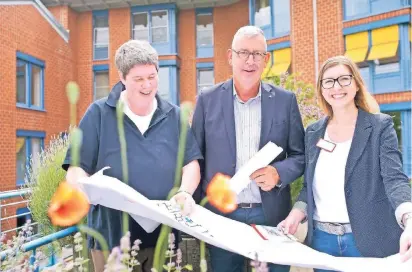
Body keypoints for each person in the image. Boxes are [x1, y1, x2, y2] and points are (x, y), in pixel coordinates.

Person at [62, 40, 203, 272]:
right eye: (139, 79)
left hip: (165, 241)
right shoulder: (97, 114)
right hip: (111, 241)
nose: (147, 85)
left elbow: (191, 164)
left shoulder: (175, 116)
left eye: (152, 76)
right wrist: (79, 189)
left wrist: (185, 192)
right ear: (122, 77)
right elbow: (76, 168)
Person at [278, 55, 412, 271]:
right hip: (322, 242)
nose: (336, 87)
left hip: (368, 240)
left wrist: (409, 218)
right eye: (328, 81)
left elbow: (394, 179)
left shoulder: (380, 127)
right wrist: (296, 214)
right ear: (322, 89)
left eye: (344, 79)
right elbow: (308, 188)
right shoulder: (313, 132)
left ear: (357, 84)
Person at [191, 25, 305, 272]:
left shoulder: (286, 101)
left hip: (271, 215)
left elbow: (300, 155)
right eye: (243, 52)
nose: (250, 60)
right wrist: (200, 212)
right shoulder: (207, 100)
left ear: (266, 60)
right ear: (230, 56)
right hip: (222, 217)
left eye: (257, 54)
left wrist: (279, 173)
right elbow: (195, 159)